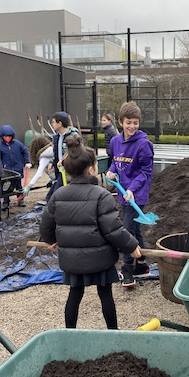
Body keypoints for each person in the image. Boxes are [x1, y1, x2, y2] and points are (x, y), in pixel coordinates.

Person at [39, 135, 142, 329]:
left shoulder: (59, 195)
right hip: (100, 259)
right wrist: (132, 246)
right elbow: (112, 230)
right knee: (105, 294)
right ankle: (113, 330)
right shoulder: (101, 195)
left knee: (75, 294)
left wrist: (52, 239)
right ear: (91, 169)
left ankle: (70, 332)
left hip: (73, 260)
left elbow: (45, 225)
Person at [106, 101, 154, 288]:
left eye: (135, 122)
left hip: (137, 194)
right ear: (120, 122)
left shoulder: (143, 145)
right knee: (134, 229)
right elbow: (115, 162)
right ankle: (141, 264)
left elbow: (146, 172)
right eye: (128, 122)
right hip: (122, 192)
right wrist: (111, 171)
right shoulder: (115, 142)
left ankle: (127, 268)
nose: (132, 126)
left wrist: (132, 189)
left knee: (126, 230)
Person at [45, 111, 79, 202]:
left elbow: (76, 153)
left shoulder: (73, 136)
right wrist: (52, 162)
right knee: (52, 196)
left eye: (53, 122)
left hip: (70, 171)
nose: (52, 124)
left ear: (60, 123)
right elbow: (57, 153)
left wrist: (64, 162)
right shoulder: (56, 137)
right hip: (60, 170)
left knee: (54, 197)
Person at [0, 124, 31, 208]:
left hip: (17, 169)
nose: (7, 137)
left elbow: (25, 151)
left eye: (9, 136)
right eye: (5, 136)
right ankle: (6, 202)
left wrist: (27, 161)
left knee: (18, 186)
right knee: (5, 187)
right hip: (7, 170)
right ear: (2, 136)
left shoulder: (17, 144)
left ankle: (20, 199)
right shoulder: (0, 146)